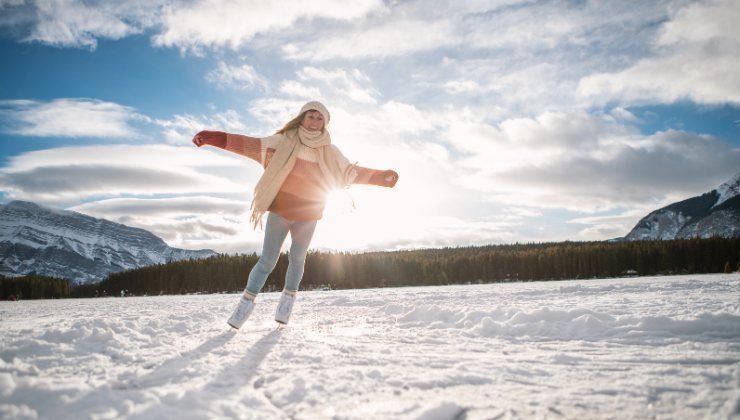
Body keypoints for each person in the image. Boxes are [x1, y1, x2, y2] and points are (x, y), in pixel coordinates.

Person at [192, 101, 398, 329]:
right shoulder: (284, 141)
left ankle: (286, 303)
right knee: (267, 261)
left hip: (309, 212)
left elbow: (350, 172)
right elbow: (249, 145)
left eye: (319, 118)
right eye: (310, 116)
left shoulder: (330, 151)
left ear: (325, 124)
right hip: (281, 210)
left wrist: (380, 177)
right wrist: (213, 138)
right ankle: (245, 304)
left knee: (297, 258)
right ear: (301, 117)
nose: (314, 122)